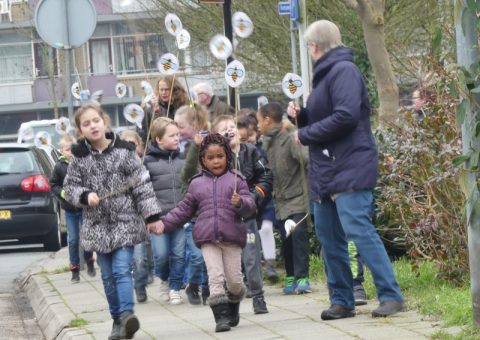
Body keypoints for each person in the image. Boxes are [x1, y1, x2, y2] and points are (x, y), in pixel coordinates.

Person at [287, 20, 404, 319]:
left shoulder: (343, 71)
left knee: (358, 230)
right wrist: (304, 116)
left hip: (350, 163)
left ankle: (390, 295)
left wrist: (304, 134)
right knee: (329, 237)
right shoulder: (326, 75)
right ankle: (342, 300)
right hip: (327, 168)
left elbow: (346, 116)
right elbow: (328, 116)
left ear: (314, 47)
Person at [64, 103, 162, 340]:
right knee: (107, 277)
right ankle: (117, 321)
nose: (92, 126)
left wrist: (151, 216)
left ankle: (128, 314)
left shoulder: (124, 151)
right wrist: (85, 196)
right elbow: (70, 188)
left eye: (95, 120)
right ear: (81, 130)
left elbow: (142, 184)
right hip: (97, 227)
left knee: (121, 270)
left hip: (124, 221)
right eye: (86, 124)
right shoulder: (79, 158)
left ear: (104, 121)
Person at [152, 133, 257, 333]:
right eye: (210, 158)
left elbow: (250, 206)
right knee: (215, 277)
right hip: (208, 238)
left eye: (220, 156)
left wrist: (241, 202)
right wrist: (163, 224)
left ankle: (233, 304)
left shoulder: (237, 179)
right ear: (203, 160)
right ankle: (221, 318)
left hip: (232, 237)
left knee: (234, 280)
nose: (216, 161)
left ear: (227, 156)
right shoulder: (196, 183)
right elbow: (183, 210)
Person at [212, 115, 272, 314]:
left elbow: (265, 175)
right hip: (226, 219)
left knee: (251, 257)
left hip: (246, 216)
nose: (230, 130)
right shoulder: (216, 158)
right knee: (230, 264)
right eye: (224, 129)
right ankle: (233, 300)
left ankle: (258, 296)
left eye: (232, 127)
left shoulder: (252, 151)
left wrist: (254, 197)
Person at [256, 102, 311, 294]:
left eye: (259, 121)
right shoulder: (265, 142)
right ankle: (290, 275)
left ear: (267, 120)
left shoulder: (288, 138)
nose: (257, 125)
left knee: (298, 236)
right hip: (279, 199)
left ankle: (303, 276)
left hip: (297, 197)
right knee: (286, 240)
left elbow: (306, 160)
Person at [144, 117, 186, 305]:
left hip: (180, 216)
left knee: (178, 254)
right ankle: (164, 278)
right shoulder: (148, 162)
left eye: (178, 134)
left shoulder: (182, 159)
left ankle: (175, 287)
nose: (177, 138)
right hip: (158, 218)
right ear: (159, 139)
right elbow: (143, 192)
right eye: (172, 135)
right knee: (161, 255)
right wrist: (148, 217)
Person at [174, 104, 211, 305]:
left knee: (208, 254)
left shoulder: (210, 141)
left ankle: (205, 287)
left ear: (195, 124)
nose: (177, 131)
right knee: (196, 254)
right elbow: (186, 174)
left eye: (180, 126)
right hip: (192, 211)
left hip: (209, 209)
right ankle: (193, 283)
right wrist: (195, 147)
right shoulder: (185, 147)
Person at [237, 113, 279, 282]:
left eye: (250, 137)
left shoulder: (261, 151)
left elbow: (267, 175)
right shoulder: (236, 154)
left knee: (267, 229)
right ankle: (250, 273)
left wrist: (260, 192)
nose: (248, 142)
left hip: (263, 200)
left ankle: (270, 266)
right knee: (248, 238)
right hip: (246, 204)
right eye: (244, 140)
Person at [50, 135, 96, 283]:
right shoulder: (58, 167)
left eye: (72, 149)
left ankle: (89, 259)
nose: (70, 152)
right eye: (67, 150)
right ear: (61, 151)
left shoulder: (82, 164)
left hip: (84, 208)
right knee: (73, 239)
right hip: (70, 209)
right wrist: (62, 193)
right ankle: (74, 268)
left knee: (87, 236)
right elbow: (54, 185)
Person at [119, 129, 154, 303]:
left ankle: (145, 277)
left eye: (133, 144)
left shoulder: (146, 164)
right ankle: (139, 285)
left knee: (148, 256)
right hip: (127, 219)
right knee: (137, 258)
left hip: (146, 216)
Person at [140, 75, 189, 143]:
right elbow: (146, 136)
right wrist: (157, 112)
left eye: (167, 89)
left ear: (174, 89)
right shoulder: (150, 110)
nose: (163, 93)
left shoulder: (184, 106)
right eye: (161, 89)